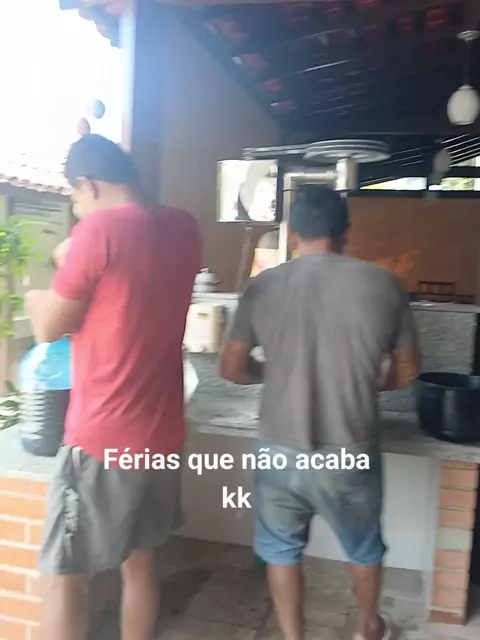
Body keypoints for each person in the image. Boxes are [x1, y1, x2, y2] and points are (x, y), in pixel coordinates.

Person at [220, 185, 420, 640]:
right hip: (350, 448)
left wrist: (272, 372)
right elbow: (408, 370)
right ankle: (368, 628)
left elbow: (231, 368)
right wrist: (371, 382)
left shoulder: (262, 286)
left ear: (293, 235)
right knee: (363, 547)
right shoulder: (384, 284)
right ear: (345, 233)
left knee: (281, 551)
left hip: (278, 448)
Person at [25, 134, 202, 640]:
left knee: (64, 576)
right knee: (140, 562)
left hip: (103, 440)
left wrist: (38, 294)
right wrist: (75, 253)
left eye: (75, 198)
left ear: (88, 184)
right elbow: (123, 286)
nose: (77, 209)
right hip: (162, 434)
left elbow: (48, 328)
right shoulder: (184, 227)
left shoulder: (99, 230)